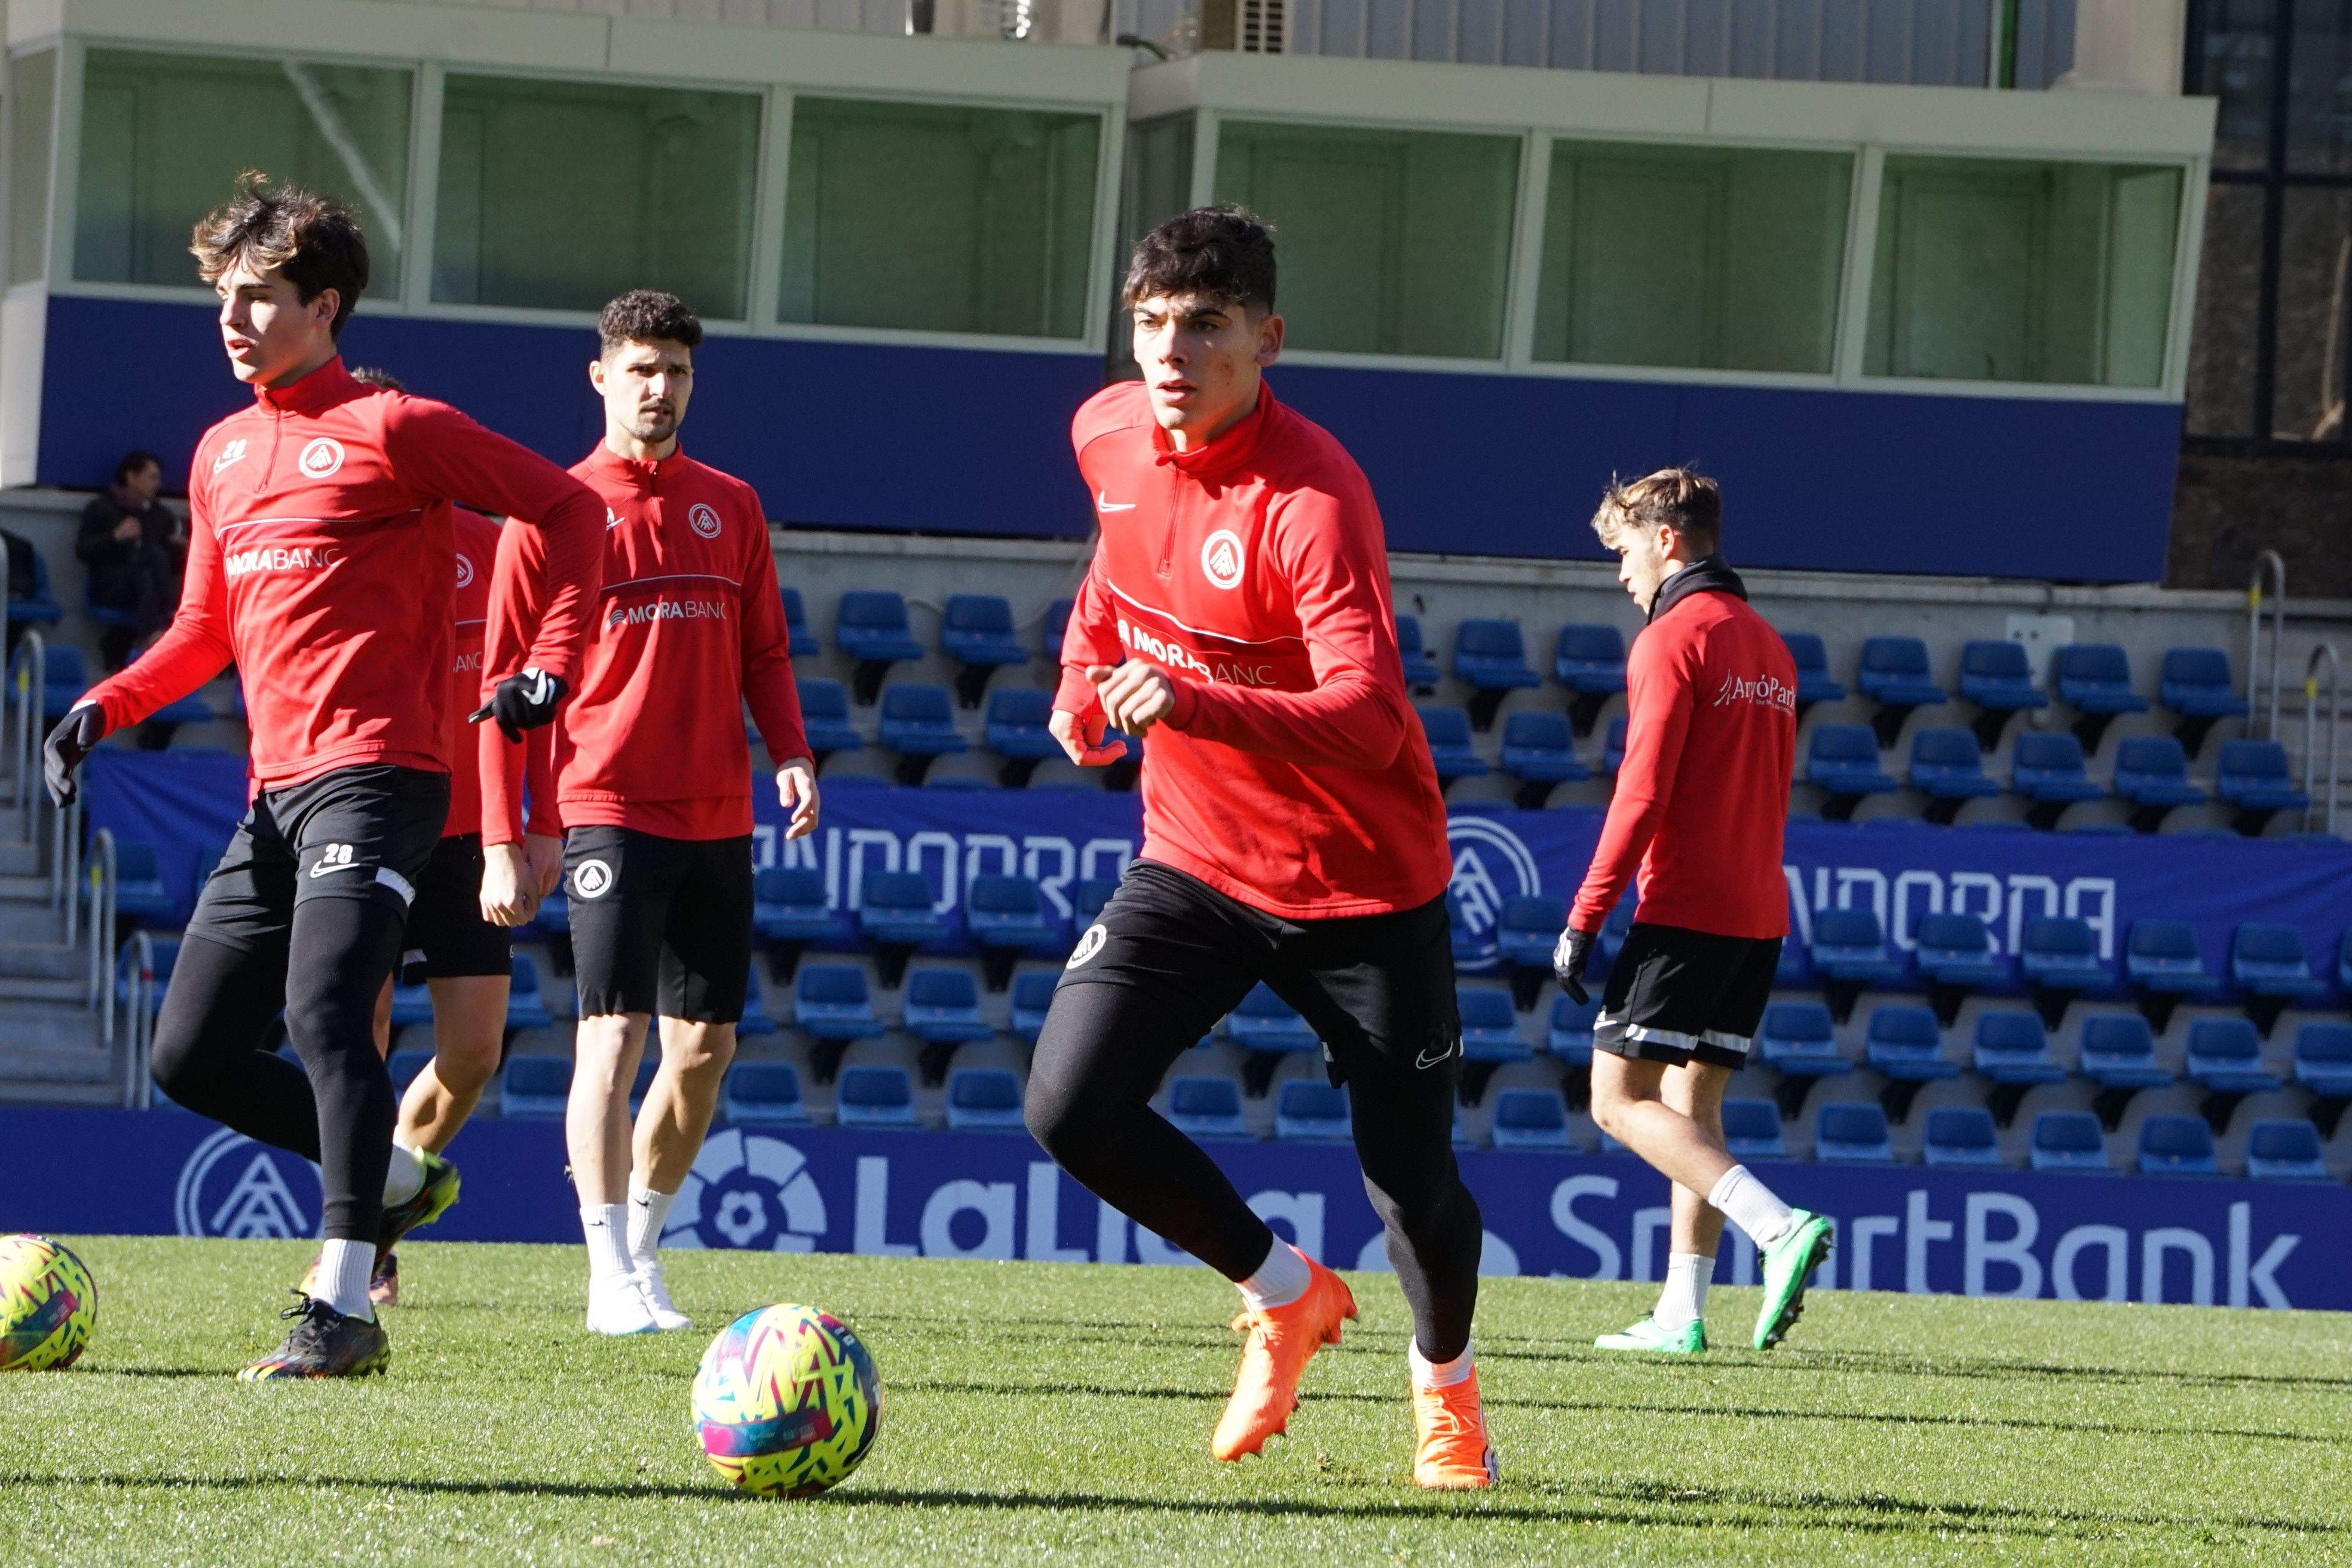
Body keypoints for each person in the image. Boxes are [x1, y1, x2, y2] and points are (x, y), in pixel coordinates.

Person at [43, 174, 604, 1380]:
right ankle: (395, 1175)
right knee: (187, 1055)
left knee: (324, 1017)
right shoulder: (222, 451)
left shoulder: (398, 428)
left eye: (260, 298)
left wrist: (551, 664)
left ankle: (342, 1311)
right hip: (277, 792)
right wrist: (104, 703)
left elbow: (569, 512)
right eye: (224, 300)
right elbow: (204, 625)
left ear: (327, 305)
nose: (233, 321)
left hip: (385, 777)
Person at [1023, 207, 1496, 1489]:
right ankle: (1283, 1292)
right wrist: (1084, 678)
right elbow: (1116, 578)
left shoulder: (1314, 501)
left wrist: (1189, 701)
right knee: (1069, 1105)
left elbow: (1369, 715)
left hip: (1364, 887)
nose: (1171, 352)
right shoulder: (1106, 429)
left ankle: (1445, 1391)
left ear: (1267, 339)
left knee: (1413, 1185)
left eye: (1205, 326)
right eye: (1151, 324)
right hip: (1195, 858)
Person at [482, 289, 817, 1336]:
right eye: (639, 368)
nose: (658, 387)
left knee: (705, 1049)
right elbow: (501, 685)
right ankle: (602, 1273)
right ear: (601, 377)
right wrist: (505, 835)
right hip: (607, 807)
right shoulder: (552, 512)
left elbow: (764, 649)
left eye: (674, 369)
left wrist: (794, 752)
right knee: (610, 1035)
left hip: (718, 811)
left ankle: (642, 1247)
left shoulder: (734, 503)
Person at [1551, 468, 1833, 1356]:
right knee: (1690, 1103)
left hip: (1687, 906)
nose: (1622, 572)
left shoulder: (1673, 638)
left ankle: (1776, 1226)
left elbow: (1641, 795)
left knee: (1616, 1097)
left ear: (1668, 540)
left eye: (1626, 549)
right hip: (1758, 909)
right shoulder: (1772, 647)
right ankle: (1683, 1310)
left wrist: (1584, 917)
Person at [308, 366, 567, 1310]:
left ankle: (387, 1195)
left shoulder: (499, 548)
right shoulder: (336, 547)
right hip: (372, 816)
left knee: (473, 1051)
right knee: (357, 1041)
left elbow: (540, 704)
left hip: (470, 835)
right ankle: (353, 1238)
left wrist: (540, 824)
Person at [76, 451, 187, 669]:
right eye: (152, 477)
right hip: (112, 585)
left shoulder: (160, 515)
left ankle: (154, 633)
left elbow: (169, 565)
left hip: (148, 588)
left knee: (149, 568)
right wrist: (114, 538)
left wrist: (181, 551)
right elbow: (83, 551)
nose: (158, 484)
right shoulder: (101, 508)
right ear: (131, 477)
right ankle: (165, 625)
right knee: (149, 566)